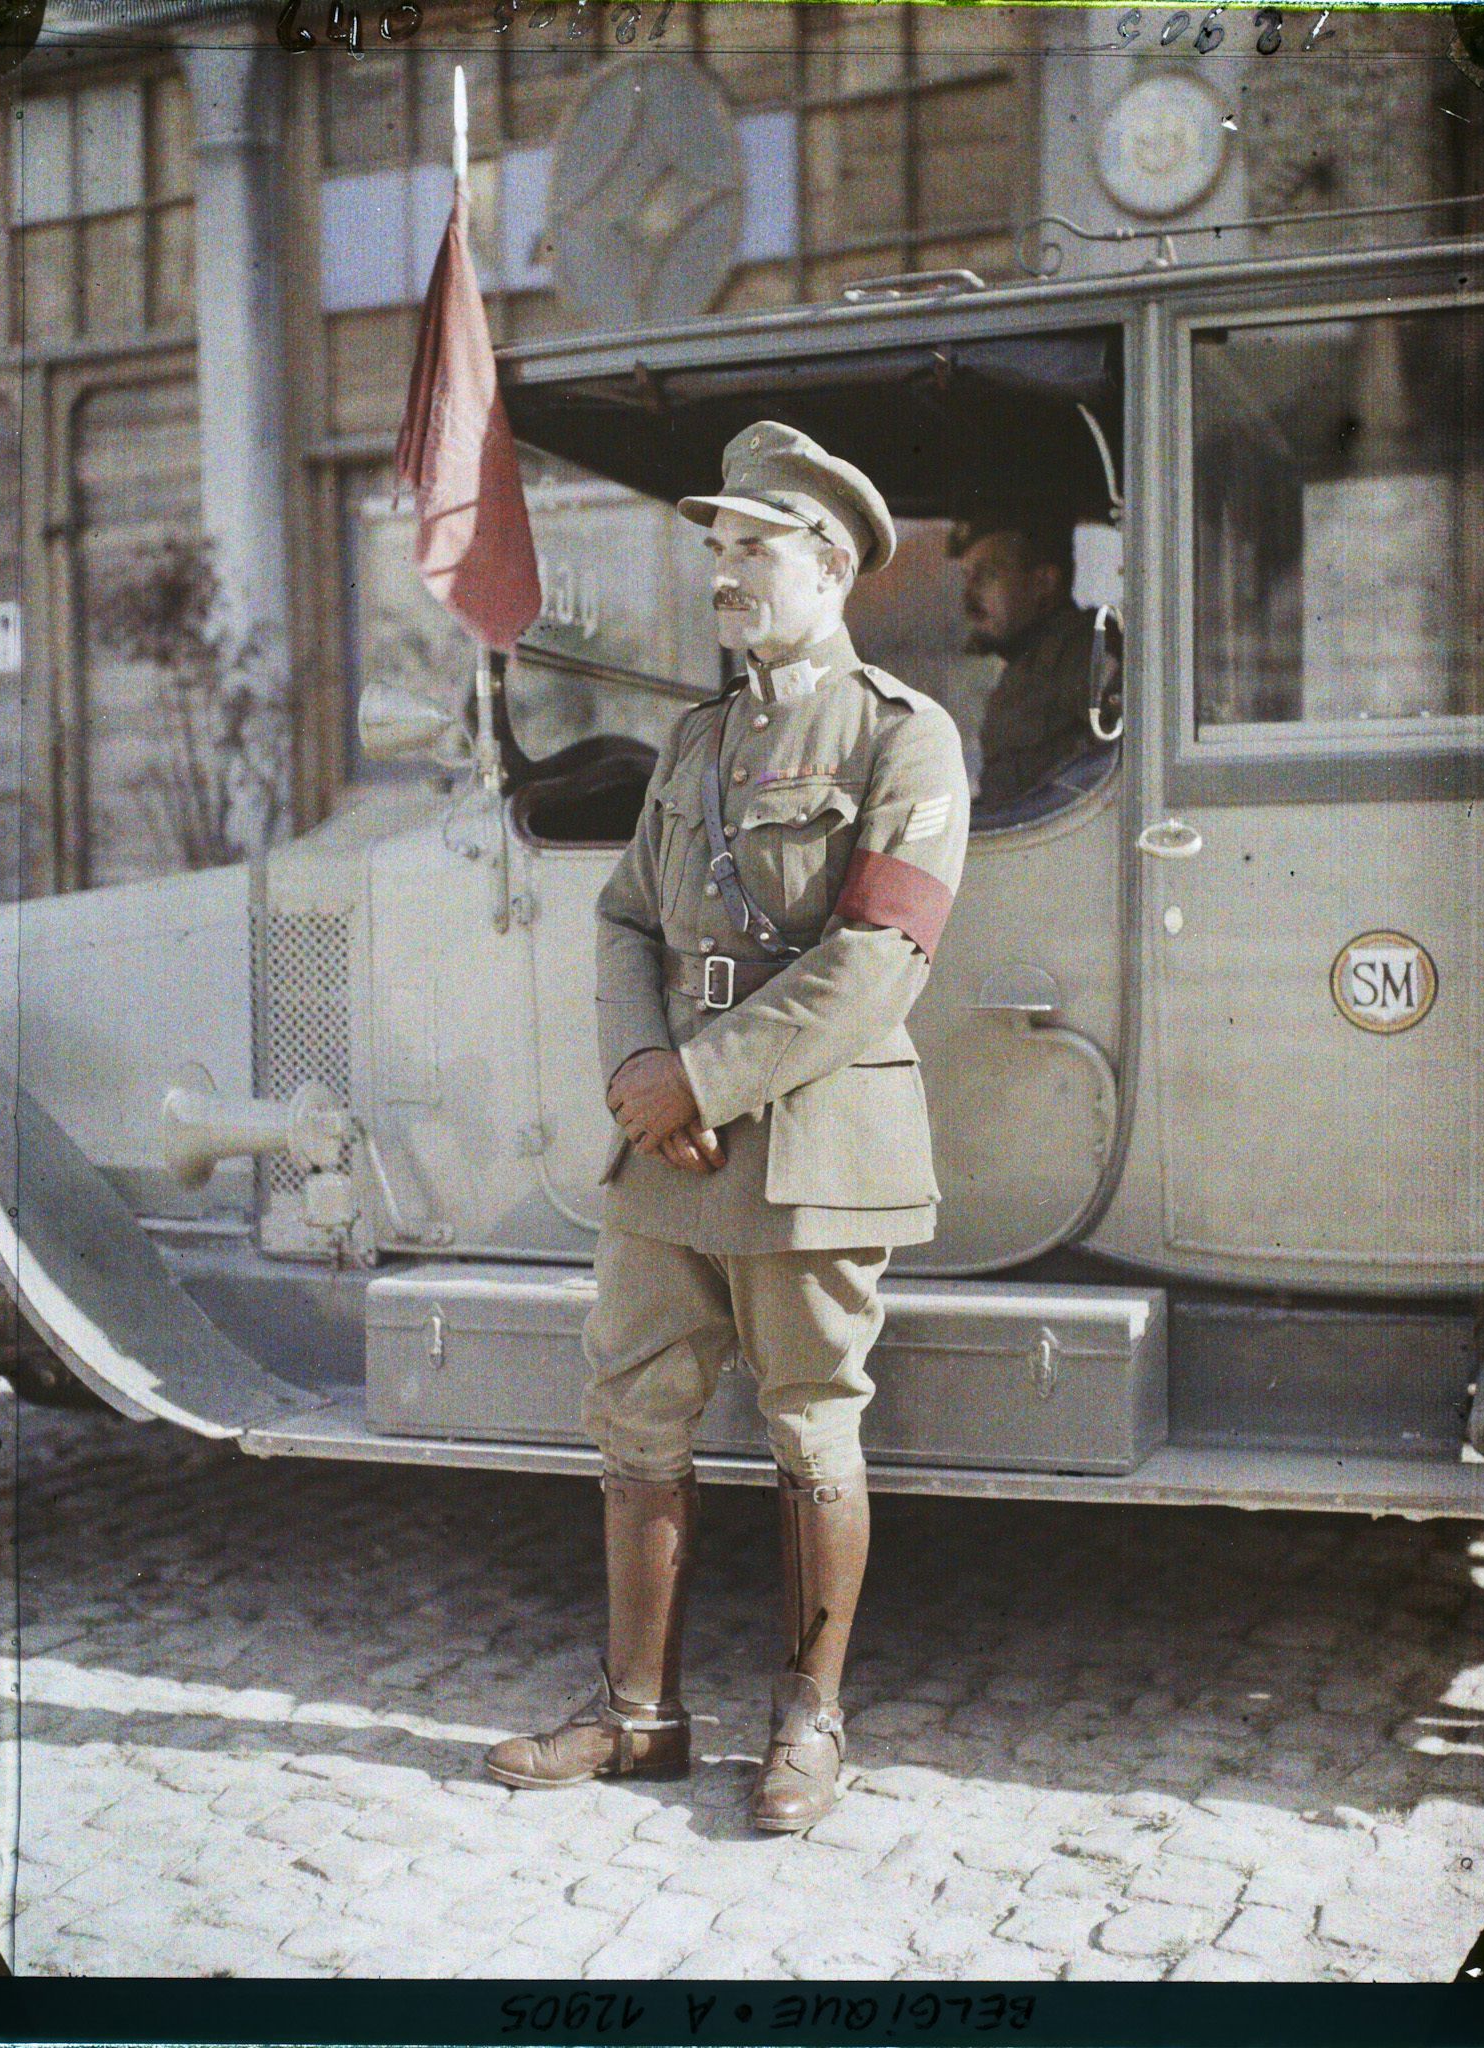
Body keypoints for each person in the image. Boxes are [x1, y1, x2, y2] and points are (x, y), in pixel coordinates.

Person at [483, 421, 969, 1832]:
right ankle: (637, 1715)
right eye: (716, 546)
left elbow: (878, 957)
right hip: (668, 1143)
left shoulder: (901, 735)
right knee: (633, 1407)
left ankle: (810, 1723)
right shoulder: (699, 738)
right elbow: (626, 915)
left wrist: (697, 1081)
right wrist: (642, 1063)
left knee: (811, 1423)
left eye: (754, 546)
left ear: (831, 567)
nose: (724, 571)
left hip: (811, 1143)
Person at [951, 512, 1112, 811]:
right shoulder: (1029, 658)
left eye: (987, 575)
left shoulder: (1083, 650)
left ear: (1043, 582)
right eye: (967, 576)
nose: (968, 596)